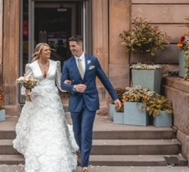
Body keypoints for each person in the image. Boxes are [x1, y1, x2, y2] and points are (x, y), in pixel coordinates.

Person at [12, 43, 79, 172]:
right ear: (39, 52)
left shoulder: (56, 64)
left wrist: (69, 85)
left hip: (52, 100)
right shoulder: (31, 66)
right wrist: (27, 91)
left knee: (55, 125)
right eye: (46, 50)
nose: (49, 52)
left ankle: (58, 151)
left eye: (49, 50)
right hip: (37, 100)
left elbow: (59, 83)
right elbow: (25, 85)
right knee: (38, 125)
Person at [60, 35, 122, 172]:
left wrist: (115, 97)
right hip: (75, 102)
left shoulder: (93, 61)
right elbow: (63, 83)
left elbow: (104, 79)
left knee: (86, 131)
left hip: (90, 102)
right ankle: (81, 152)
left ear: (81, 46)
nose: (71, 49)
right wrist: (73, 88)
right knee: (77, 132)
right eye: (70, 47)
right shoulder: (68, 63)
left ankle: (85, 164)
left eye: (73, 46)